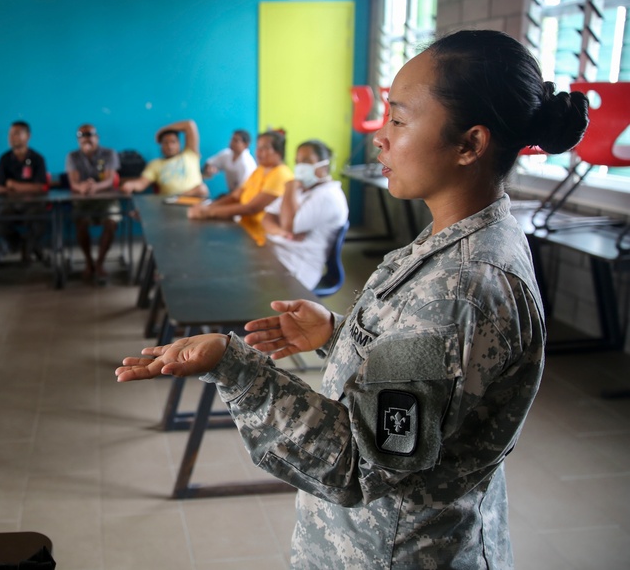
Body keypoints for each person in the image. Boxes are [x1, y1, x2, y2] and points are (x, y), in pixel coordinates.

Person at [115, 30, 588, 569]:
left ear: (470, 144)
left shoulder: (463, 287)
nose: (379, 138)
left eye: (399, 119)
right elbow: (434, 374)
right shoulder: (465, 240)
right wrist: (341, 334)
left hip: (396, 552)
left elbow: (360, 467)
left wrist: (237, 369)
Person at [263, 139, 349, 290]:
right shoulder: (303, 188)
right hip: (276, 254)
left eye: (306, 161)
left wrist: (289, 188)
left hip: (296, 268)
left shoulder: (329, 196)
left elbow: (289, 225)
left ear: (324, 165)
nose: (300, 166)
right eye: (297, 161)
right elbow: (267, 217)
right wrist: (281, 231)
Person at [186, 130, 293, 245]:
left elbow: (251, 208)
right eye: (258, 147)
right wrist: (207, 207)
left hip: (263, 239)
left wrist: (209, 212)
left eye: (265, 148)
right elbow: (235, 196)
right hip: (245, 231)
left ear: (279, 152)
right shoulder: (260, 170)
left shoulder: (281, 174)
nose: (259, 152)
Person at [65, 123, 121, 284]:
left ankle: (100, 262)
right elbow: (73, 182)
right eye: (82, 136)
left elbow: (110, 180)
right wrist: (82, 187)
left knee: (111, 222)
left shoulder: (109, 153)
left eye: (90, 135)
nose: (86, 139)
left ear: (97, 137)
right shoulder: (72, 156)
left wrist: (95, 186)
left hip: (106, 198)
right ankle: (88, 261)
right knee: (80, 222)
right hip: (83, 200)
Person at [0, 120, 49, 263]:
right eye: (10, 134)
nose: (12, 137)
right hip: (10, 204)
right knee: (0, 225)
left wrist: (13, 185)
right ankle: (24, 245)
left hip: (33, 204)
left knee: (39, 222)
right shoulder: (4, 159)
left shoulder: (37, 159)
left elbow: (38, 187)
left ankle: (29, 247)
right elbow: (0, 187)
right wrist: (23, 187)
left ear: (28, 136)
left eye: (17, 134)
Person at [120, 119, 208, 198]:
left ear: (179, 143)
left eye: (173, 142)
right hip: (169, 205)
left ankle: (179, 197)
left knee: (202, 190)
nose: (169, 146)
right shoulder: (155, 164)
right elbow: (141, 183)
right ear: (161, 146)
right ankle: (178, 197)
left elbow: (189, 124)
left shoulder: (190, 154)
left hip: (196, 201)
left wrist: (163, 130)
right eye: (165, 142)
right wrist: (130, 185)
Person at [203, 129, 257, 194]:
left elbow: (243, 191)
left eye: (236, 141)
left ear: (246, 144)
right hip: (232, 194)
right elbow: (209, 163)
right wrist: (209, 168)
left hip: (245, 196)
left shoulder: (247, 163)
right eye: (232, 139)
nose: (231, 142)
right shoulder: (226, 154)